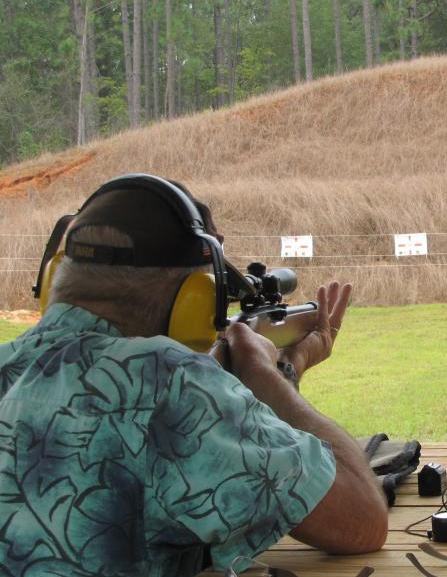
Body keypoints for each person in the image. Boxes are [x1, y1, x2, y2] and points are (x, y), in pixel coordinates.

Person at [0, 175, 388, 576]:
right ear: (197, 299)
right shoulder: (168, 383)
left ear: (54, 277)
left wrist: (284, 370)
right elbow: (361, 520)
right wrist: (264, 376)